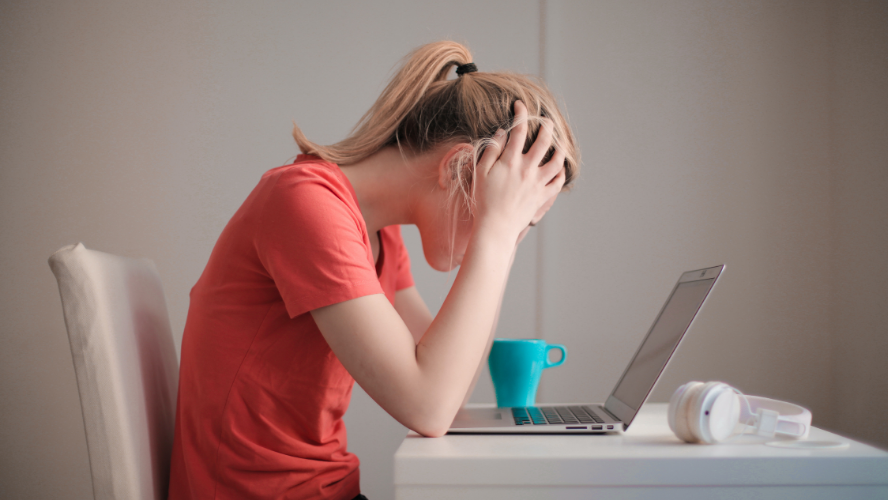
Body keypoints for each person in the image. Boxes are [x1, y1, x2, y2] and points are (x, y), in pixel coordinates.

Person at [168, 41, 580, 500]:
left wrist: (501, 240)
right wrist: (496, 234)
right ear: (458, 167)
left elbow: (452, 386)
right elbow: (430, 406)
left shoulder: (379, 236)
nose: (511, 231)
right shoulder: (304, 204)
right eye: (515, 213)